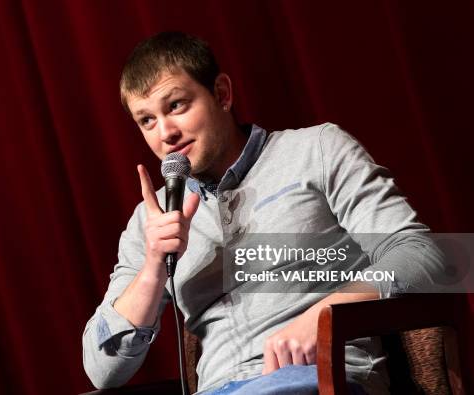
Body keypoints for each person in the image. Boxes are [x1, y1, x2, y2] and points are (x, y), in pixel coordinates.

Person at [82, 31, 443, 394]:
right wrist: (154, 267)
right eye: (147, 121)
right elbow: (102, 370)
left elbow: (424, 255)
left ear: (222, 94)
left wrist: (327, 314)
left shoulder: (316, 149)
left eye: (176, 105)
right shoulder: (151, 219)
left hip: (320, 378)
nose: (166, 134)